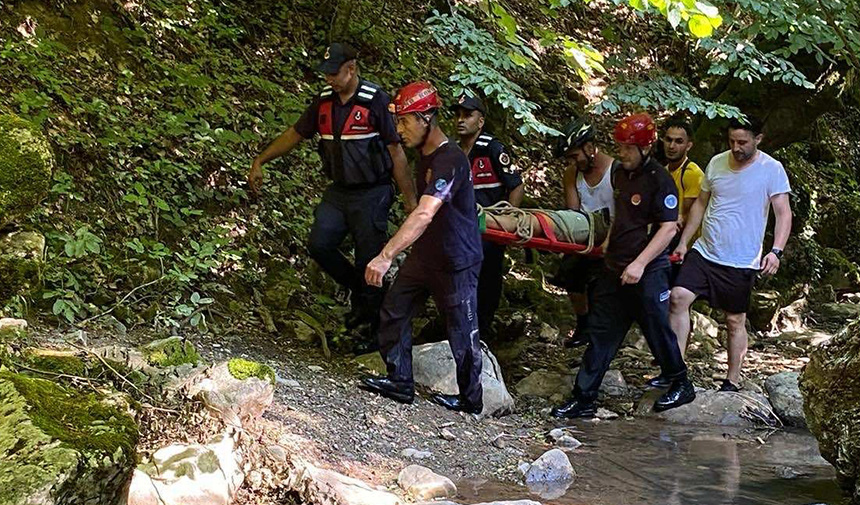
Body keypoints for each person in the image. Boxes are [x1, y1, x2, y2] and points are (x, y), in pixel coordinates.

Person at [248, 43, 418, 336]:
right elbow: (295, 134)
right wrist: (261, 159)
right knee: (320, 244)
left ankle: (374, 326)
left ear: (351, 69)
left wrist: (409, 200)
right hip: (339, 192)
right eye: (325, 73)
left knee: (369, 257)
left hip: (372, 191)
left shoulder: (374, 100)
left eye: (334, 73)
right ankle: (361, 294)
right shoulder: (324, 101)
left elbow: (396, 152)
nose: (328, 79)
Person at [551, 113, 696, 418]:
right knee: (601, 333)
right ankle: (584, 397)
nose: (622, 154)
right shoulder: (621, 175)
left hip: (648, 271)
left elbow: (668, 228)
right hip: (615, 268)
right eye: (620, 147)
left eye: (628, 148)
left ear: (645, 146)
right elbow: (620, 213)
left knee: (658, 330)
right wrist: (607, 245)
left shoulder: (660, 180)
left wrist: (641, 264)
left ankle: (680, 381)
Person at [361, 81, 485, 414]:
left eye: (405, 121)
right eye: (398, 121)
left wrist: (387, 255)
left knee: (462, 330)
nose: (399, 129)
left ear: (427, 118)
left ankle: (471, 399)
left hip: (456, 259)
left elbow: (426, 212)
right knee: (395, 308)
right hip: (427, 254)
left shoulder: (451, 159)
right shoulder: (424, 153)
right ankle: (400, 380)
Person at [669, 116, 792, 392]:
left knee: (734, 320)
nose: (736, 148)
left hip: (741, 259)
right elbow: (700, 204)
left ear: (758, 139)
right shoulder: (717, 162)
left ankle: (732, 380)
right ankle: (675, 371)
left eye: (742, 142)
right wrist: (684, 241)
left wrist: (776, 252)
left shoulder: (772, 169)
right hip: (705, 250)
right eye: (732, 141)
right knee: (678, 298)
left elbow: (783, 214)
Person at [451, 93, 524, 338]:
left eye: (468, 115)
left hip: (490, 228)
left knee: (488, 275)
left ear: (480, 121)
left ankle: (483, 326)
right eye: (458, 115)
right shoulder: (453, 151)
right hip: (461, 226)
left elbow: (515, 184)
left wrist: (508, 218)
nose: (461, 120)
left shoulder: (493, 148)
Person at [552, 117, 620, 347]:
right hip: (585, 232)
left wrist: (609, 242)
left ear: (590, 148)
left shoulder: (615, 171)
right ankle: (583, 323)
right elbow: (573, 211)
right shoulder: (572, 174)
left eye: (575, 156)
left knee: (604, 283)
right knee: (570, 275)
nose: (573, 162)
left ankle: (604, 330)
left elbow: (623, 212)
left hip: (612, 234)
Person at [661, 117, 704, 254]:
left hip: (686, 247)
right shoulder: (664, 171)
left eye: (678, 141)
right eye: (668, 140)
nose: (672, 146)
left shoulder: (692, 173)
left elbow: (687, 214)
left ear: (688, 146)